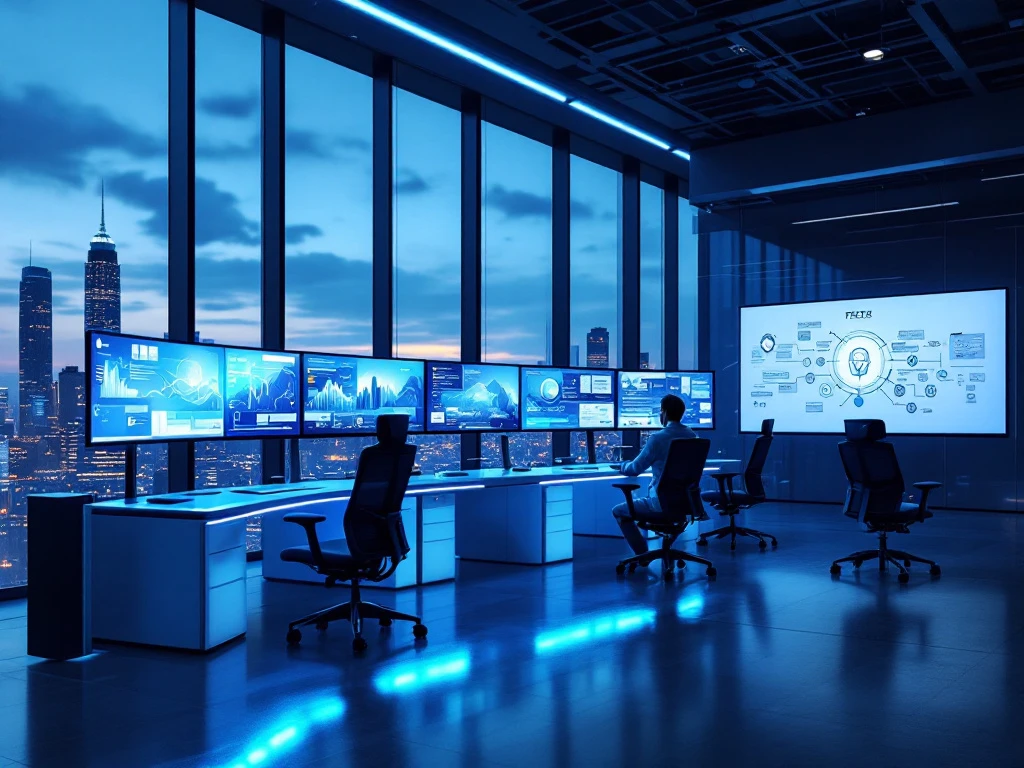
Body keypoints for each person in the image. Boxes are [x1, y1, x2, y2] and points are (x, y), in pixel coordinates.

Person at [612, 393, 696, 556]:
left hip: (660, 504)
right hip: (686, 503)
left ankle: (642, 554)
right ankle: (667, 551)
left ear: (663, 413)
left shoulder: (658, 438)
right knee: (673, 516)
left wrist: (622, 465)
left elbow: (635, 468)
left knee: (619, 511)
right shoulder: (692, 436)